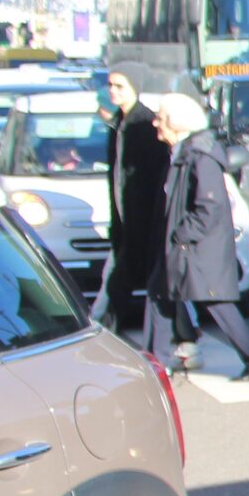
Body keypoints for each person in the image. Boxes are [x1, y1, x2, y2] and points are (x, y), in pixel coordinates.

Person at [147, 94, 249, 380]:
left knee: (216, 303)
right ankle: (159, 359)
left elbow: (210, 205)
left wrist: (181, 234)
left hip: (196, 247)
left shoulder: (199, 156)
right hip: (185, 245)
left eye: (161, 118)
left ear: (177, 123)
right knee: (161, 295)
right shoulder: (185, 151)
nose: (156, 124)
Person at [96, 62, 169, 334]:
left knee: (128, 284)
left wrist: (149, 219)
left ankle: (104, 333)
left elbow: (152, 176)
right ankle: (182, 333)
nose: (113, 91)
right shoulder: (119, 123)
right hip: (125, 222)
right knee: (124, 283)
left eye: (120, 86)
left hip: (144, 222)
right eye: (111, 85)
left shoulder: (144, 123)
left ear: (134, 88)